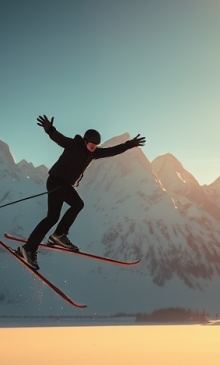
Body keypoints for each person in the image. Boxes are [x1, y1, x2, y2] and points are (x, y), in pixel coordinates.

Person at [16, 115, 145, 270]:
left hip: (65, 185)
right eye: (91, 143)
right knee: (52, 217)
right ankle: (28, 249)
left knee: (78, 204)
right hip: (56, 181)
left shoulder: (93, 152)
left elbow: (112, 151)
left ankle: (58, 235)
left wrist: (129, 145)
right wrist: (50, 129)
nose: (94, 146)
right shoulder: (74, 145)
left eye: (96, 145)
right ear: (85, 141)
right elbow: (59, 139)